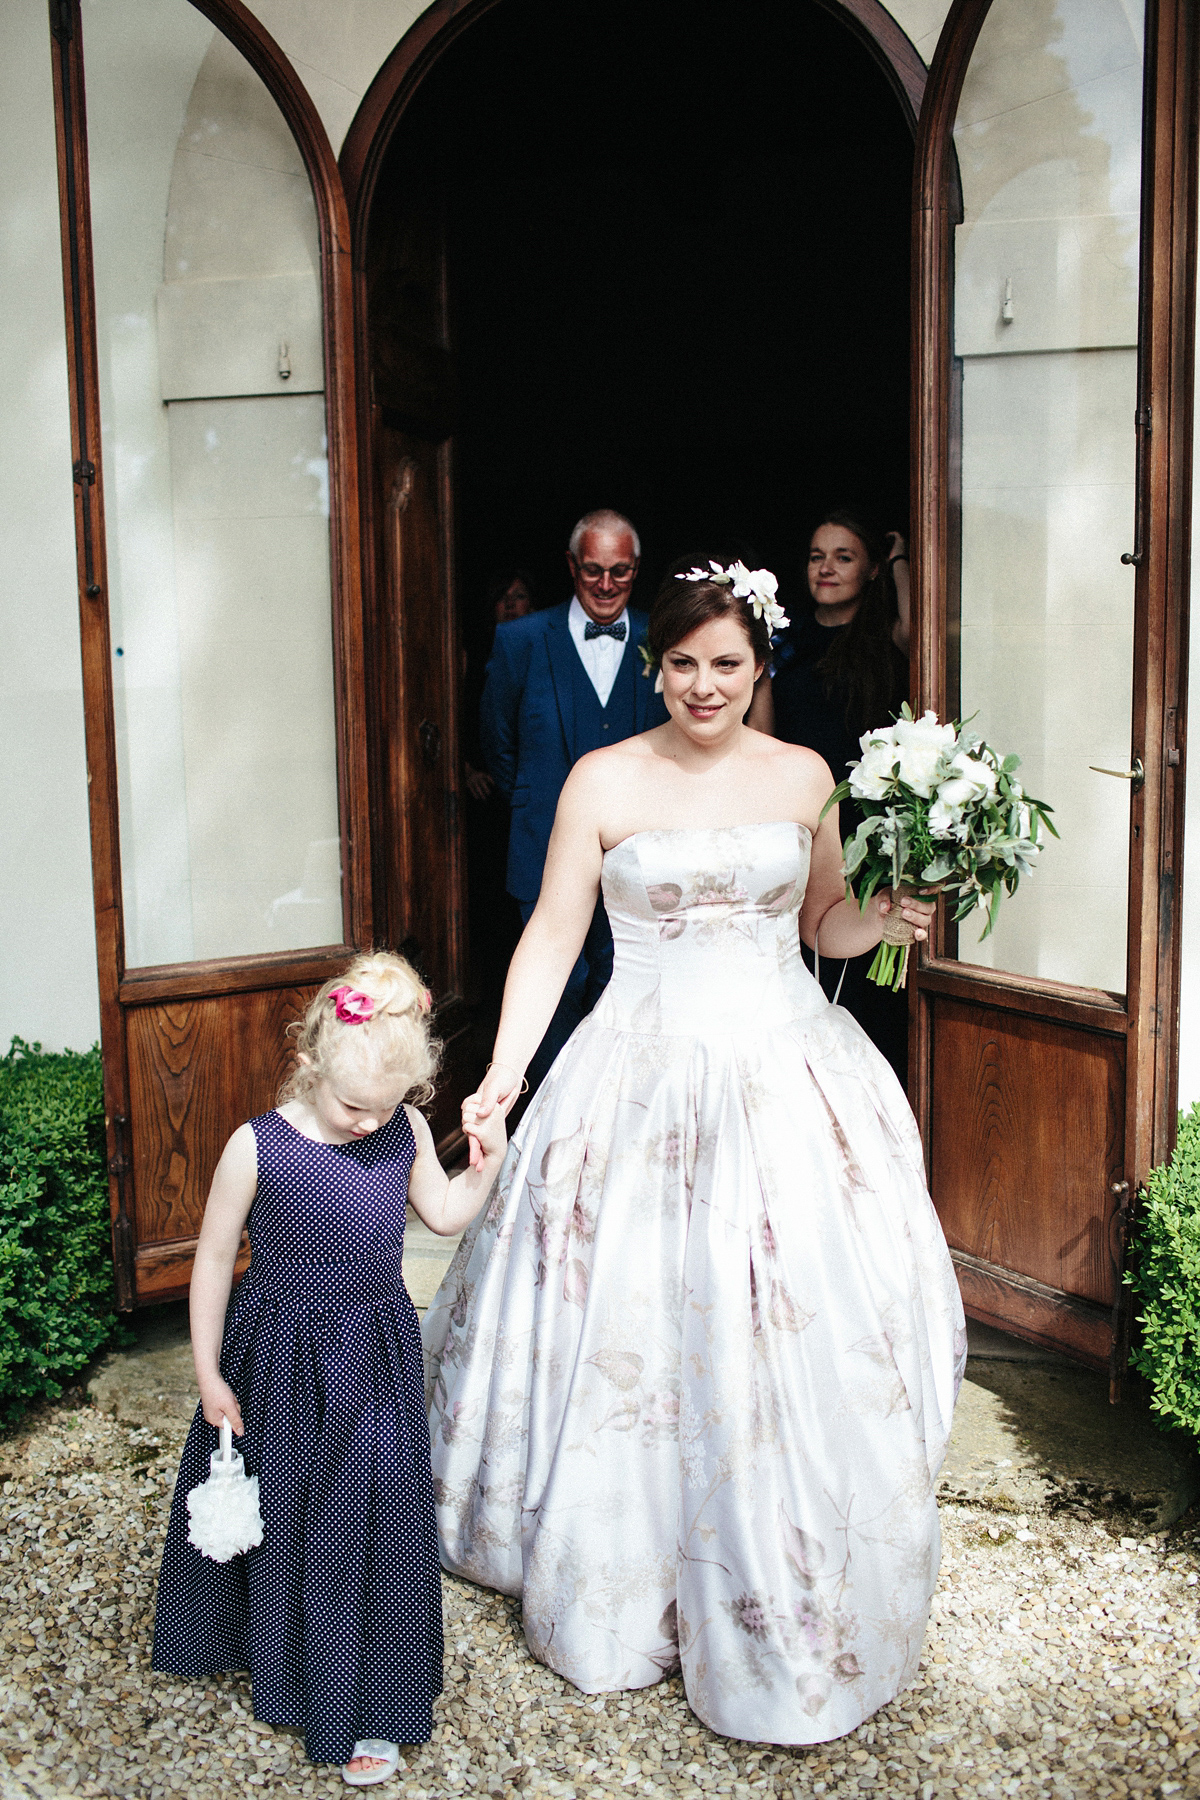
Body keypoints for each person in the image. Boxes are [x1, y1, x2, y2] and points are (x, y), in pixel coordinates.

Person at [424, 563, 966, 1748]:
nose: (703, 685)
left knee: (775, 1310)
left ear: (759, 666)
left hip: (783, 1064)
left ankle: (784, 1558)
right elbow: (555, 934)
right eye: (681, 664)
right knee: (629, 1316)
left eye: (726, 664)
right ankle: (621, 1562)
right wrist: (505, 1074)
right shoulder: (602, 779)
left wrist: (894, 910)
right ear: (656, 666)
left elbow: (826, 922)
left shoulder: (805, 776)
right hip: (637, 1069)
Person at [151, 953, 507, 1786]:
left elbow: (445, 1214)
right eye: (353, 1105)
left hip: (373, 1363)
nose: (365, 1125)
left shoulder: (405, 1130)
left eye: (384, 1108)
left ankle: (366, 1701)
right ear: (309, 1062)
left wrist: (482, 1168)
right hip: (275, 1362)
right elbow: (210, 1265)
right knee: (286, 1520)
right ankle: (280, 1661)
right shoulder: (256, 1147)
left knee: (370, 1525)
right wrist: (208, 1374)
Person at [479, 508, 667, 1088]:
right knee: (553, 994)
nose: (607, 585)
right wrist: (548, 816)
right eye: (593, 571)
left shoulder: (664, 639)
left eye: (621, 572)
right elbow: (498, 744)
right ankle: (549, 1128)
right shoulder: (520, 640)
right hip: (542, 851)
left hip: (641, 854)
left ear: (636, 569)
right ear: (570, 566)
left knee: (630, 989)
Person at [753, 508, 912, 1082]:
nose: (826, 567)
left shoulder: (883, 638)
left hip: (868, 818)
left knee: (867, 966)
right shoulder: (782, 640)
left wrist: (899, 563)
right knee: (801, 958)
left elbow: (921, 632)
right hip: (801, 813)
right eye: (817, 556)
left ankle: (865, 1086)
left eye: (844, 556)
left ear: (868, 570)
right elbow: (765, 735)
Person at [463, 571, 537, 1007]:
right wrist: (464, 767)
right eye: (503, 597)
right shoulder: (472, 655)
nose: (511, 605)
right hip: (486, 798)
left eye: (520, 596)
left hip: (529, 793)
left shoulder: (541, 652)